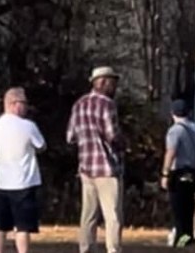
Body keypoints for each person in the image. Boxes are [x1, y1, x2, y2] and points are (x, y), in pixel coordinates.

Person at [66, 66, 125, 253]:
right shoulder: (107, 104)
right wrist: (123, 145)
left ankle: (86, 248)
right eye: (112, 83)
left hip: (86, 167)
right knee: (112, 215)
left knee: (88, 214)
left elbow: (70, 136)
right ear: (103, 82)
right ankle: (113, 249)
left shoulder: (79, 104)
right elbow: (112, 135)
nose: (114, 87)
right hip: (107, 167)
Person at [0, 87, 47, 253]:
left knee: (0, 226)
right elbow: (41, 146)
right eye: (24, 103)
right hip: (23, 182)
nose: (26, 107)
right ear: (14, 104)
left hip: (1, 181)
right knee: (22, 227)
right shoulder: (28, 126)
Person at [161, 99, 195, 246]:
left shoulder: (175, 131)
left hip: (179, 173)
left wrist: (165, 173)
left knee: (179, 210)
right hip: (193, 173)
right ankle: (187, 238)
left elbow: (171, 152)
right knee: (189, 209)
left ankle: (181, 240)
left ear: (172, 113)